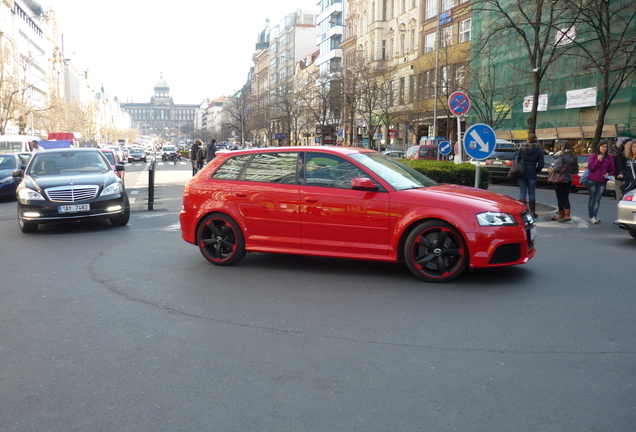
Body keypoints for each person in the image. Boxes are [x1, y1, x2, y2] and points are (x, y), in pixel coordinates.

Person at [586, 140, 616, 224]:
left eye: (606, 147)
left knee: (597, 199)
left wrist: (608, 175)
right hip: (592, 181)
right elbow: (591, 168)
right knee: (592, 198)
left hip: (602, 182)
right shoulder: (593, 156)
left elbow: (613, 170)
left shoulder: (609, 158)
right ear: (599, 147)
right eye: (602, 146)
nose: (604, 148)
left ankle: (594, 216)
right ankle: (592, 216)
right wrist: (598, 160)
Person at [516, 133, 544, 218]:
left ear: (528, 140)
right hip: (532, 173)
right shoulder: (538, 150)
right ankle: (532, 212)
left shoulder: (522, 149)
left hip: (521, 173)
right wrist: (536, 170)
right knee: (532, 193)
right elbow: (541, 163)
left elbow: (517, 159)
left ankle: (523, 211)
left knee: (522, 192)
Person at [550, 140, 578, 222]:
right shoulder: (574, 157)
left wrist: (554, 167)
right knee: (566, 197)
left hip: (560, 180)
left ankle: (561, 215)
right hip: (568, 179)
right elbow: (575, 170)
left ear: (563, 148)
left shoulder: (561, 157)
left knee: (560, 198)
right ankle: (567, 215)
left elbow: (558, 169)